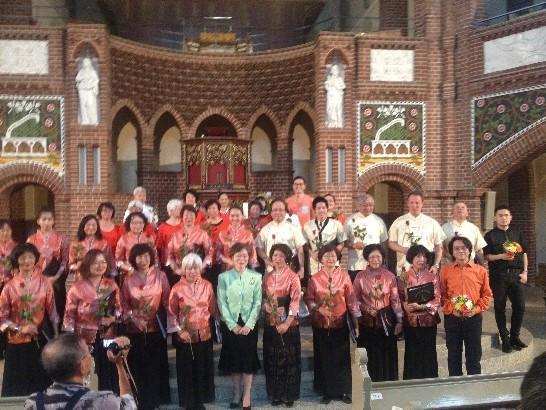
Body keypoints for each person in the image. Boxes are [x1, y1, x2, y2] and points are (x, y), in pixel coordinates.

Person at [0, 243, 59, 396]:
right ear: (16, 260)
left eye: (30, 257)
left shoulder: (45, 283)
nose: (27, 261)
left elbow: (52, 312)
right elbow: (1, 319)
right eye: (23, 257)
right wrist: (20, 328)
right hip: (16, 343)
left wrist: (56, 337)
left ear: (36, 259)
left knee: (42, 388)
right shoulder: (9, 287)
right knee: (17, 390)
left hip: (40, 340)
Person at [305, 244, 359, 404]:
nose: (330, 258)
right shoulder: (314, 278)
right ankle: (326, 391)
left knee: (342, 358)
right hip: (321, 325)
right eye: (326, 256)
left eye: (333, 255)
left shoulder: (344, 276)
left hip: (340, 324)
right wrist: (318, 309)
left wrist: (356, 323)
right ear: (321, 259)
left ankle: (344, 390)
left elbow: (351, 300)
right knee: (324, 358)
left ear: (338, 258)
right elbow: (309, 299)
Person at [24, 334, 136, 410]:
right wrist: (120, 364)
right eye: (88, 352)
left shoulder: (33, 402)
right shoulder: (100, 401)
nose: (91, 356)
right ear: (82, 366)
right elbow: (130, 404)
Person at [63, 249, 121, 392]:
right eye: (95, 263)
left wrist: (112, 318)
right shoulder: (77, 288)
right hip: (84, 338)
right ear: (87, 265)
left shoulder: (111, 285)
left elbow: (121, 310)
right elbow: (69, 315)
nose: (100, 266)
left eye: (103, 262)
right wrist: (71, 339)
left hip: (107, 336)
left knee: (108, 371)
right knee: (88, 372)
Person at [121, 243, 170, 410]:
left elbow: (167, 301)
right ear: (133, 259)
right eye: (139, 257)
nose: (143, 260)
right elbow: (123, 304)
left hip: (156, 327)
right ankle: (140, 401)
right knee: (138, 366)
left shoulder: (161, 276)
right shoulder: (128, 279)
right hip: (135, 329)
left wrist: (173, 323)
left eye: (146, 256)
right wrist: (134, 319)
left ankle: (156, 400)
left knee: (156, 365)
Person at [217, 243, 262, 410]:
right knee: (234, 360)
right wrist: (231, 324)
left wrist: (250, 324)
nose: (241, 259)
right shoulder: (224, 277)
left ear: (248, 258)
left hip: (249, 324)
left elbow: (258, 302)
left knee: (248, 359)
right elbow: (222, 302)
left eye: (244, 256)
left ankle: (247, 395)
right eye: (238, 256)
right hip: (231, 325)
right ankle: (237, 393)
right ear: (232, 257)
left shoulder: (256, 277)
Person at [168, 253, 215, 410]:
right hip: (185, 336)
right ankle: (188, 402)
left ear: (200, 269)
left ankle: (200, 400)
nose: (192, 271)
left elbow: (212, 308)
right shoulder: (177, 288)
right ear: (184, 270)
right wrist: (180, 331)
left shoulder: (207, 285)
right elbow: (172, 313)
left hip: (204, 335)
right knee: (187, 370)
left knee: (202, 369)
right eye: (189, 268)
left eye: (195, 268)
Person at [440, 236, 492, 376]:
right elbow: (441, 296)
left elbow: (487, 295)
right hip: (452, 318)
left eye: (463, 248)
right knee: (453, 356)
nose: (460, 251)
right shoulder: (445, 271)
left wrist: (475, 310)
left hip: (473, 318)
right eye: (456, 248)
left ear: (470, 250)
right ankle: (455, 385)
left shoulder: (481, 271)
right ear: (452, 252)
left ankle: (473, 385)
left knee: (474, 356)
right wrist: (452, 309)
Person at [353, 244, 403, 382]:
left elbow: (395, 299)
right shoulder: (360, 277)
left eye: (378, 257)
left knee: (387, 353)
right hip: (367, 322)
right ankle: (368, 383)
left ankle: (388, 382)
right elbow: (354, 300)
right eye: (372, 257)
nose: (375, 260)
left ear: (383, 258)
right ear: (367, 259)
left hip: (386, 320)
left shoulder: (390, 276)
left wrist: (400, 320)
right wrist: (366, 308)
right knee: (369, 354)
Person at [483, 205, 528, 353]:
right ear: (495, 218)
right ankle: (505, 338)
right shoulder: (490, 236)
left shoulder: (517, 233)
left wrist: (525, 272)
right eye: (500, 215)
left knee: (520, 307)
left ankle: (515, 336)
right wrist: (502, 256)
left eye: (506, 215)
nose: (503, 218)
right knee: (499, 307)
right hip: (499, 276)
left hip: (516, 275)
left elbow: (524, 253)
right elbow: (487, 256)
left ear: (510, 217)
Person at [262, 244, 302, 407]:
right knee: (272, 359)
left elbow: (295, 301)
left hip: (288, 324)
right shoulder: (268, 276)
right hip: (271, 323)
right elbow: (263, 297)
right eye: (274, 255)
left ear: (287, 258)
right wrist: (265, 306)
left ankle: (288, 394)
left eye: (280, 256)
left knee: (288, 360)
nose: (277, 259)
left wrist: (287, 323)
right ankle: (275, 394)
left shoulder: (293, 277)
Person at [398, 245, 441, 380]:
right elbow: (398, 296)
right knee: (411, 350)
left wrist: (423, 306)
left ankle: (430, 380)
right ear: (411, 258)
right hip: (410, 320)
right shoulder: (404, 277)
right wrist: (405, 306)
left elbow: (438, 298)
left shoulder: (432, 277)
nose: (421, 259)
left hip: (428, 320)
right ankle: (411, 380)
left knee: (428, 350)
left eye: (424, 256)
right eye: (418, 256)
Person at [388, 191, 445, 275]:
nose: (414, 205)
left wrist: (436, 265)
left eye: (417, 203)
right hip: (405, 268)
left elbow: (439, 246)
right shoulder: (398, 222)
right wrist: (404, 249)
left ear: (422, 204)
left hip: (427, 268)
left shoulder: (432, 223)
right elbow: (391, 243)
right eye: (412, 203)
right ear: (408, 203)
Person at [27, 207, 69, 321]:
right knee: (39, 310)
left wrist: (56, 277)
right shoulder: (31, 239)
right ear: (38, 221)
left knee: (58, 309)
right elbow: (28, 262)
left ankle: (57, 331)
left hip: (56, 280)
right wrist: (40, 278)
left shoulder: (61, 238)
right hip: (37, 280)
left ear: (53, 221)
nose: (47, 222)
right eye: (44, 219)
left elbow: (65, 260)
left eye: (50, 219)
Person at [256, 199, 306, 278]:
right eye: (275, 210)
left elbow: (300, 250)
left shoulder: (294, 229)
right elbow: (259, 247)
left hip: (290, 268)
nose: (278, 212)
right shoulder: (265, 229)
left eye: (281, 210)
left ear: (285, 212)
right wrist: (266, 259)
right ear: (271, 212)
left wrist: (302, 268)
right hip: (271, 269)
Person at [344, 193, 388, 281]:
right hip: (356, 264)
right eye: (364, 205)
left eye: (370, 205)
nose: (368, 208)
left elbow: (384, 242)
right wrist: (353, 245)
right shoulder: (350, 220)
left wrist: (384, 261)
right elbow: (343, 241)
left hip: (375, 264)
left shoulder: (379, 221)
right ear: (358, 206)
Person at [67, 214, 113, 290]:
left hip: (100, 279)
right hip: (81, 279)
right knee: (82, 297)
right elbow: (71, 263)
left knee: (100, 297)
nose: (91, 227)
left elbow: (109, 262)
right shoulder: (76, 243)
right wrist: (77, 266)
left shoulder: (104, 243)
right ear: (83, 226)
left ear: (97, 227)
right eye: (88, 225)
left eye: (94, 225)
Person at [166, 205, 213, 279]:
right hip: (180, 274)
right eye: (186, 215)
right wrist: (177, 270)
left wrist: (201, 267)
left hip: (198, 274)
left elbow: (209, 254)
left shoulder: (203, 234)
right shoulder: (175, 235)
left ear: (195, 217)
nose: (189, 217)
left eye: (191, 215)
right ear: (182, 217)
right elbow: (169, 255)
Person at [302, 196, 345, 274]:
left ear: (327, 209)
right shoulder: (307, 226)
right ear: (314, 210)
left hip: (332, 263)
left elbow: (342, 243)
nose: (321, 210)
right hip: (315, 263)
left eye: (323, 208)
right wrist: (312, 254)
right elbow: (304, 244)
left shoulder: (337, 224)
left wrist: (332, 254)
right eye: (318, 208)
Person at [115, 212, 157, 279]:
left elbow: (155, 257)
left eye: (140, 223)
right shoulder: (123, 239)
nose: (138, 226)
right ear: (129, 224)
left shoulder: (149, 237)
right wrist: (129, 268)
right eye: (134, 223)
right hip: (131, 274)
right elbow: (117, 260)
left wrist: (153, 269)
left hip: (149, 275)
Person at [0, 219, 17, 359]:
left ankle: (9, 347)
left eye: (8, 230)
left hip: (12, 286)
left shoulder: (16, 247)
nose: (5, 233)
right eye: (2, 230)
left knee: (10, 315)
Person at [155, 199, 183, 268]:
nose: (181, 210)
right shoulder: (162, 227)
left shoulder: (185, 223)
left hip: (184, 261)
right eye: (179, 208)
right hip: (168, 261)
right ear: (171, 211)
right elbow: (159, 246)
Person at [75, 57, 100, 125]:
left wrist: (94, 86)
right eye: (84, 62)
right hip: (82, 89)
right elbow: (77, 78)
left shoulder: (93, 72)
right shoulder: (81, 71)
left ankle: (92, 120)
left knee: (90, 104)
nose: (85, 63)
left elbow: (96, 80)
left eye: (86, 62)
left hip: (90, 89)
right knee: (83, 104)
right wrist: (83, 77)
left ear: (89, 63)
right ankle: (85, 120)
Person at [325, 63, 345, 128]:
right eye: (333, 69)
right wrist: (328, 85)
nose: (334, 71)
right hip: (331, 95)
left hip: (337, 96)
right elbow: (326, 86)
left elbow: (343, 86)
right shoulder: (329, 78)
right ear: (331, 71)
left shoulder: (339, 79)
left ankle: (338, 122)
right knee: (330, 108)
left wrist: (336, 86)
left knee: (337, 108)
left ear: (338, 71)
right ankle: (331, 122)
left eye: (336, 69)